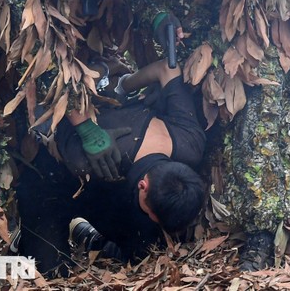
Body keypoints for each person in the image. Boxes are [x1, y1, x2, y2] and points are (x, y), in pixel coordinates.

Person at [16, 25, 207, 276]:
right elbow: (56, 92)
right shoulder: (87, 160)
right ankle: (33, 235)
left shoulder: (190, 143)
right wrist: (92, 113)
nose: (152, 218)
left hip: (108, 187)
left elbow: (167, 68)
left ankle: (89, 235)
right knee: (50, 269)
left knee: (143, 250)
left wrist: (125, 86)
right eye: (152, 214)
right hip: (57, 178)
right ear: (143, 185)